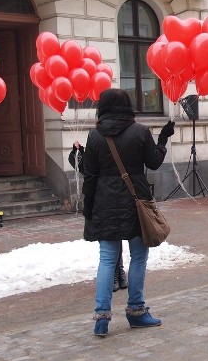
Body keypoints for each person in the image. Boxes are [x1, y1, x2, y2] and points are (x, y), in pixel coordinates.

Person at [82, 89, 175, 337]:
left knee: (107, 260)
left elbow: (89, 175)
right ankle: (136, 311)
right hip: (136, 203)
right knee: (138, 257)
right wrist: (163, 139)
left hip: (104, 202)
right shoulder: (140, 131)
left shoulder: (94, 136)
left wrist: (88, 208)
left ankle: (101, 318)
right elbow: (154, 162)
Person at [69, 141, 127, 292]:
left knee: (115, 236)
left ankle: (118, 272)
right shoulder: (95, 144)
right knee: (108, 238)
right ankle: (115, 274)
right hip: (100, 201)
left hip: (115, 197)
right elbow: (84, 169)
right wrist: (79, 151)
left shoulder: (117, 146)